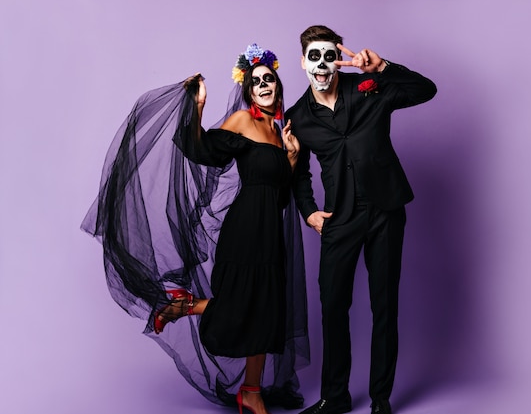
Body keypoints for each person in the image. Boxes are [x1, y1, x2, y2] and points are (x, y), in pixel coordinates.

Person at [81, 44, 309, 414]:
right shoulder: (241, 121)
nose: (264, 85)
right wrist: (198, 105)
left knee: (267, 310)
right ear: (248, 90)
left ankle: (251, 391)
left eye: (269, 79)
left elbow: (282, 198)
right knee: (242, 304)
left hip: (271, 232)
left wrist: (293, 160)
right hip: (245, 229)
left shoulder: (282, 130)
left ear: (278, 85)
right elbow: (200, 149)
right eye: (256, 82)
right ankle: (182, 307)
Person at [284, 26, 437, 414]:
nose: (322, 66)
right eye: (313, 57)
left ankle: (381, 400)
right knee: (333, 307)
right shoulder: (297, 118)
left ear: (338, 58)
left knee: (384, 306)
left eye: (329, 56)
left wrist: (382, 66)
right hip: (340, 218)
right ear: (303, 63)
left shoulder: (368, 84)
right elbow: (298, 172)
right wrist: (308, 211)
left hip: (386, 211)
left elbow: (425, 90)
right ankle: (334, 398)